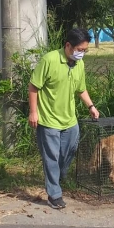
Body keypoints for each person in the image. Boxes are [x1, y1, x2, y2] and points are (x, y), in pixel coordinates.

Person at [28, 28, 100, 209]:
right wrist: (33, 112)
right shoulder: (49, 60)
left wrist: (91, 106)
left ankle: (57, 178)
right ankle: (54, 194)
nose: (82, 54)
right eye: (80, 50)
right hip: (48, 120)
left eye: (85, 50)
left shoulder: (79, 65)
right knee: (51, 158)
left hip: (70, 120)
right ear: (68, 46)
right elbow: (33, 87)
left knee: (68, 153)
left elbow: (81, 89)